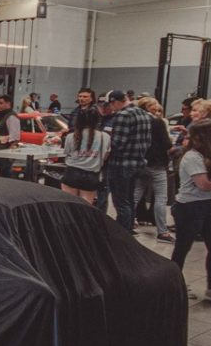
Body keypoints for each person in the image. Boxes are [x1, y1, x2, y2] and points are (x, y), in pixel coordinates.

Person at [172, 120, 211, 307]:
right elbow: (204, 184)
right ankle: (175, 284)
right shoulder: (192, 157)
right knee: (183, 247)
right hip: (189, 207)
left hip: (209, 205)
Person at [102, 90, 152, 234]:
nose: (111, 108)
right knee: (129, 199)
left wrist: (107, 140)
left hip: (121, 165)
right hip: (138, 163)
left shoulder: (123, 115)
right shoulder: (143, 114)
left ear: (115, 101)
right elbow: (148, 141)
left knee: (121, 202)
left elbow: (118, 143)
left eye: (111, 104)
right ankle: (129, 228)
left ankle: (122, 233)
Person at [134, 97, 174, 242]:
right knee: (161, 198)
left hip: (141, 162)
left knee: (136, 194)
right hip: (157, 163)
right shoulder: (158, 122)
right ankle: (162, 232)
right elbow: (167, 144)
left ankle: (127, 222)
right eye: (155, 109)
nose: (157, 112)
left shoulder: (137, 121)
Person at [61, 106, 109, 205]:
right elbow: (105, 156)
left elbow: (66, 153)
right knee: (86, 206)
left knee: (69, 204)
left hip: (72, 173)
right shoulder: (105, 137)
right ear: (97, 120)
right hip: (91, 175)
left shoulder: (71, 136)